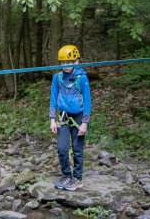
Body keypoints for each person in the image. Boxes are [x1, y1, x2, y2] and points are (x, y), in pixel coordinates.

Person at [49, 44, 91, 191]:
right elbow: (53, 98)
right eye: (63, 62)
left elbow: (87, 101)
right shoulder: (58, 78)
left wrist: (85, 123)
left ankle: (77, 179)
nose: (65, 65)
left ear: (76, 61)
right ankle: (66, 175)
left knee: (77, 149)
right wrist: (52, 119)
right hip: (63, 116)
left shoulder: (82, 78)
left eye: (68, 62)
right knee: (62, 148)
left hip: (79, 117)